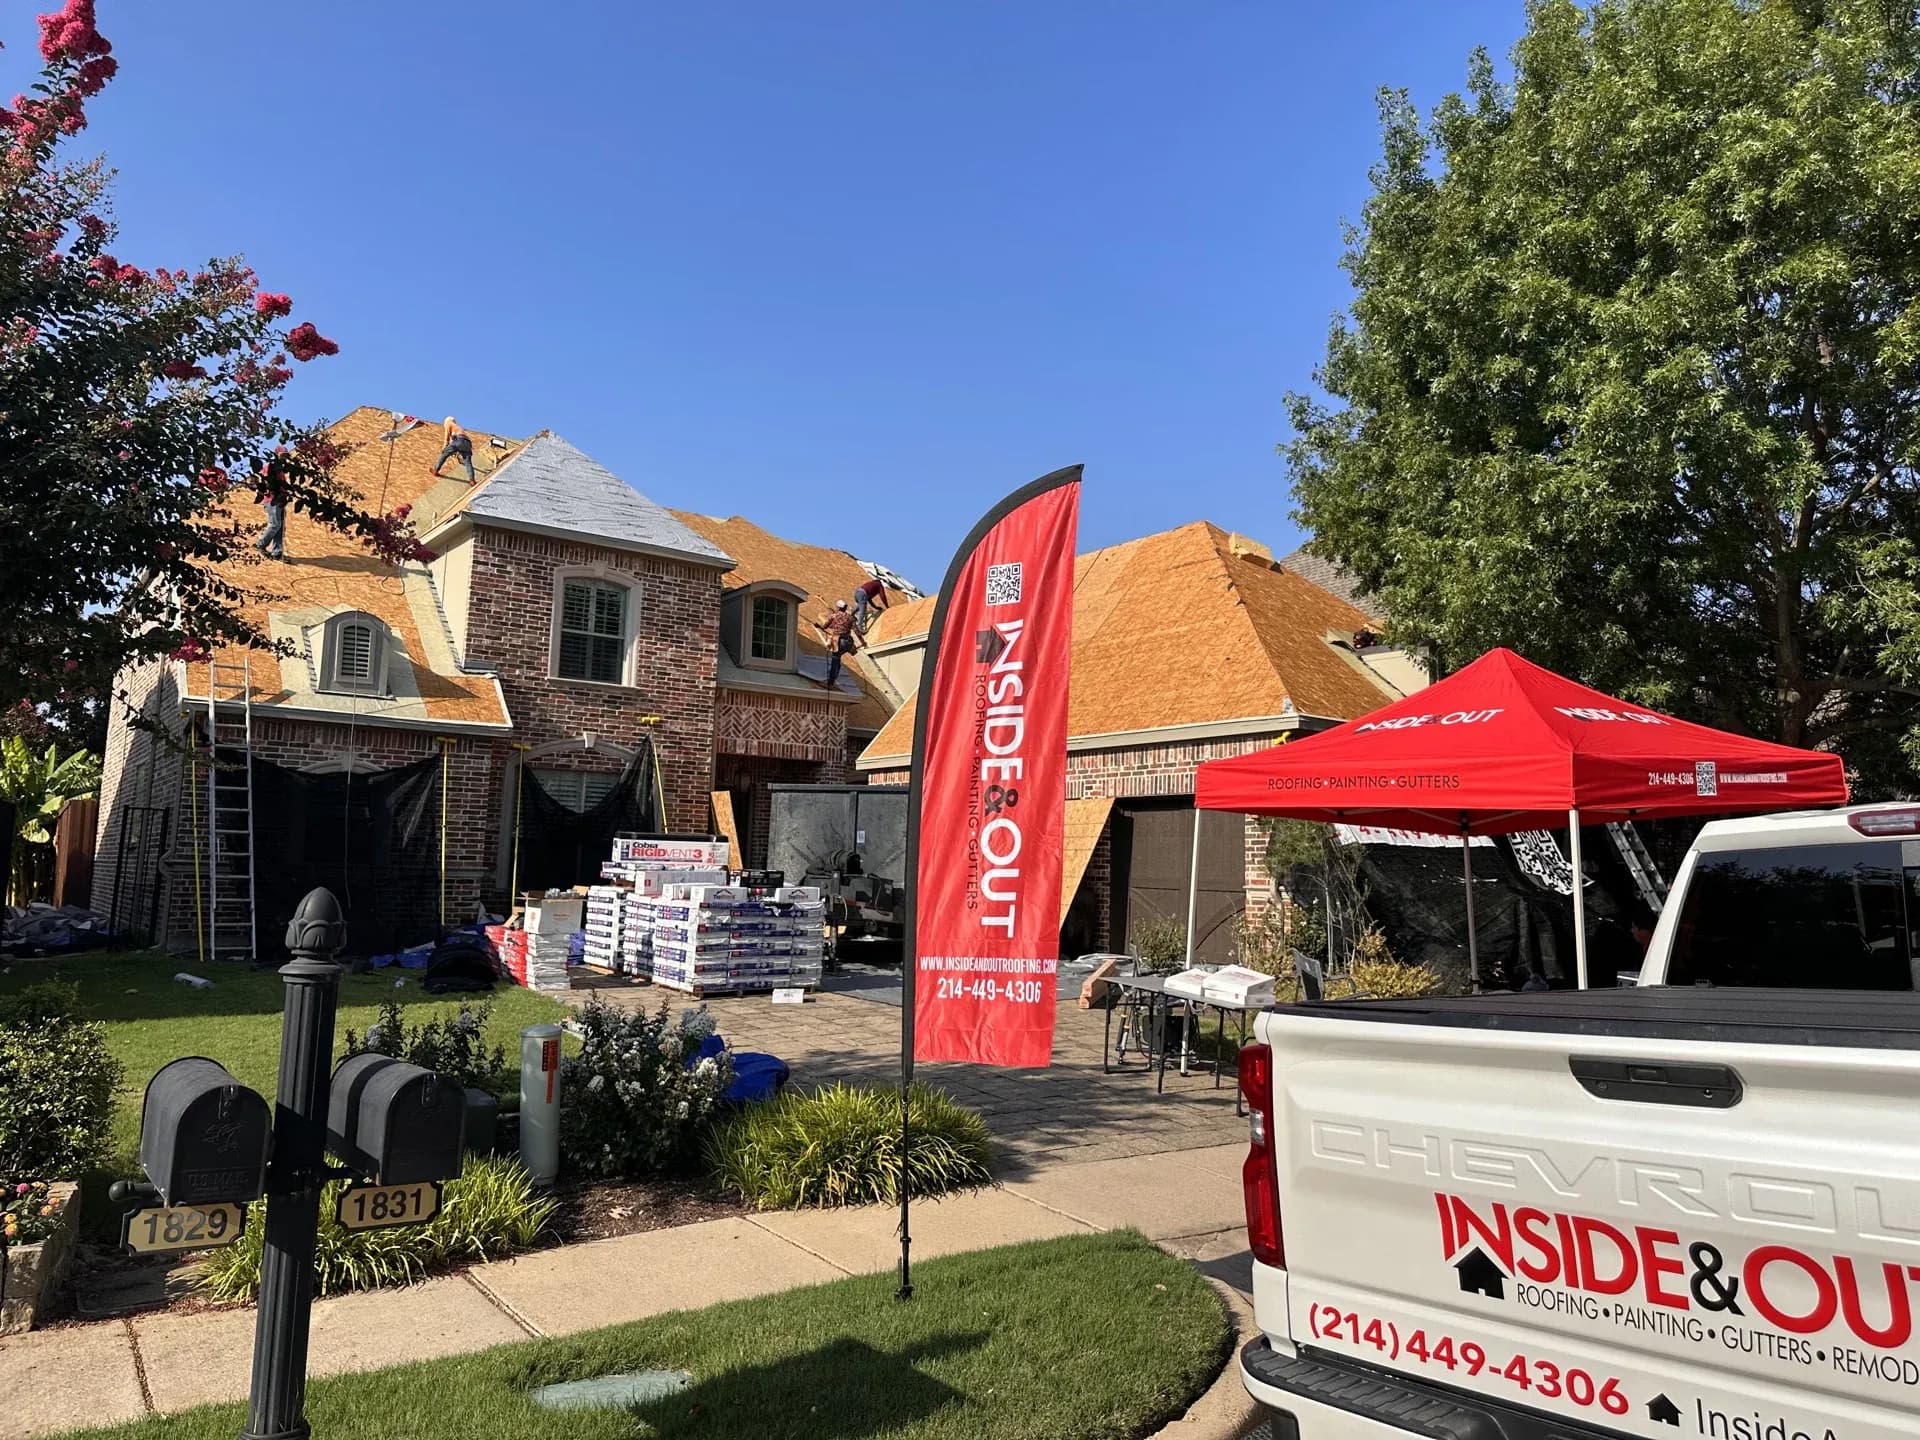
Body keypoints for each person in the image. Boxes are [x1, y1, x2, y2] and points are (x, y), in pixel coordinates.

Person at [817, 600, 858, 689]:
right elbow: (856, 630)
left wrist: (818, 626)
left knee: (835, 660)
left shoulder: (834, 616)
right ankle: (834, 677)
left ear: (838, 607)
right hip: (848, 642)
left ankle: (830, 683)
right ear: (845, 608)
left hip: (838, 641)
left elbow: (825, 626)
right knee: (838, 658)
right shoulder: (850, 618)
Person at [432, 416, 475, 484]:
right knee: (468, 463)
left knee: (444, 454)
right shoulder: (458, 427)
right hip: (467, 443)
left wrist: (444, 447)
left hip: (459, 440)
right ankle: (472, 480)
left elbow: (447, 438)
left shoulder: (449, 424)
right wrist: (455, 451)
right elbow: (455, 440)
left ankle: (435, 470)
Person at [255, 495, 286, 559]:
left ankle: (277, 552)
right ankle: (260, 544)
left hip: (281, 500)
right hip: (272, 501)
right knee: (275, 525)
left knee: (280, 526)